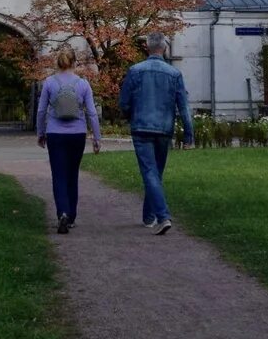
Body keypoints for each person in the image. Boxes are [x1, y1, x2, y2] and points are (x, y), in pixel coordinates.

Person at [119, 31, 194, 235]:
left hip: (141, 127)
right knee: (155, 173)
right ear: (165, 48)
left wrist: (130, 115)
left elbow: (124, 102)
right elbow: (184, 107)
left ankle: (162, 216)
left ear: (147, 48)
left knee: (150, 173)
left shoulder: (135, 71)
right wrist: (189, 134)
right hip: (163, 128)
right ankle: (149, 217)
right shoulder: (174, 74)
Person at [36, 47, 101, 234]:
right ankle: (71, 216)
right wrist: (96, 138)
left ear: (58, 62)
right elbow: (92, 113)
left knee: (59, 175)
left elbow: (41, 111)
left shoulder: (49, 82)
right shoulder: (83, 84)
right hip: (77, 134)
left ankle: (62, 212)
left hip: (55, 134)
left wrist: (41, 133)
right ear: (74, 63)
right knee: (72, 175)